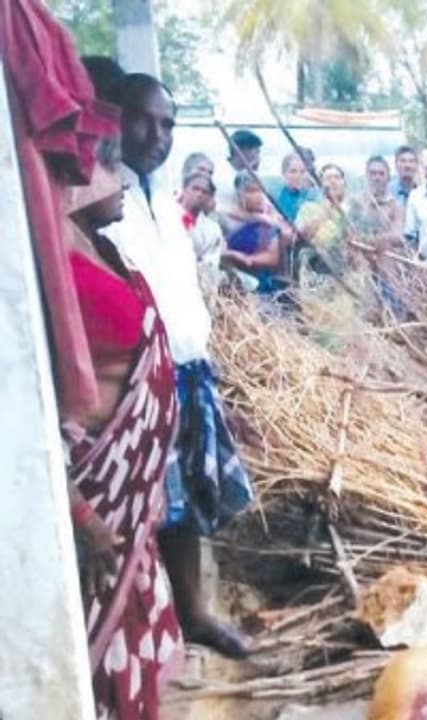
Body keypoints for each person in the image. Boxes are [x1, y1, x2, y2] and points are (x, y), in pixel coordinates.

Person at [103, 73, 254, 659]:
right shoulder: (100, 192)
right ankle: (148, 627)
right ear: (112, 115)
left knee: (185, 498)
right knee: (145, 506)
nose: (157, 134)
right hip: (138, 376)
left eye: (168, 123)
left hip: (187, 369)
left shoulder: (159, 196)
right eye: (144, 119)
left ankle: (194, 615)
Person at [64, 157, 184, 720]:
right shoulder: (49, 260)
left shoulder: (102, 247)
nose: (125, 178)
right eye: (108, 162)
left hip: (129, 496)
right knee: (89, 661)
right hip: (96, 498)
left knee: (132, 656)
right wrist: (80, 511)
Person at [221, 171, 286, 292]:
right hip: (230, 276)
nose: (258, 196)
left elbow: (272, 257)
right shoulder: (226, 219)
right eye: (251, 191)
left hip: (264, 280)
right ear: (239, 194)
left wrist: (248, 259)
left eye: (260, 191)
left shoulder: (269, 219)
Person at [178, 170, 224, 309]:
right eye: (195, 188)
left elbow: (211, 263)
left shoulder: (213, 229)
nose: (199, 194)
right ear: (184, 189)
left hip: (200, 285)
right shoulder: (168, 217)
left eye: (204, 192)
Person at [296, 163, 353, 276]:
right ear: (320, 185)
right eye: (328, 178)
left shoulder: (353, 208)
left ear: (344, 183)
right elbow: (302, 237)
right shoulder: (309, 208)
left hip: (349, 258)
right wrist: (325, 213)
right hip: (318, 259)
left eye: (337, 177)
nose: (333, 182)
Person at [350, 155, 405, 251]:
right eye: (373, 173)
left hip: (387, 258)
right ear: (366, 175)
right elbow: (350, 232)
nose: (377, 178)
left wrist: (374, 239)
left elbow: (398, 236)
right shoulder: (355, 202)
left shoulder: (395, 205)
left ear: (388, 177)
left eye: (381, 174)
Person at [275, 152, 318, 224]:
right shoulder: (276, 197)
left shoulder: (317, 197)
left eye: (303, 172)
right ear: (284, 173)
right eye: (293, 171)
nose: (298, 176)